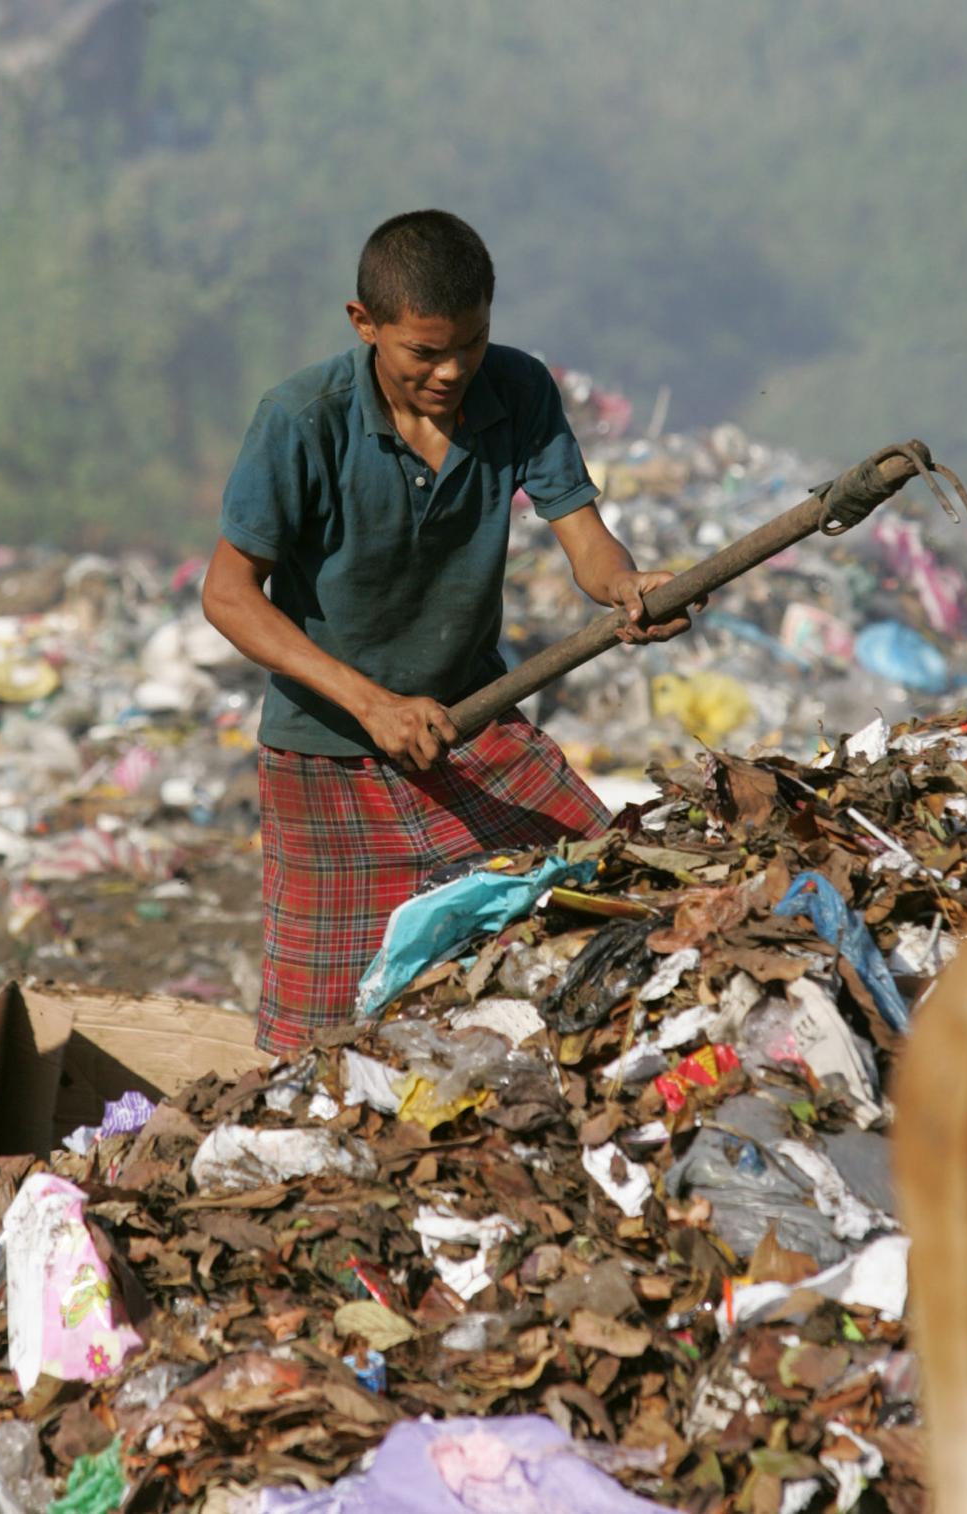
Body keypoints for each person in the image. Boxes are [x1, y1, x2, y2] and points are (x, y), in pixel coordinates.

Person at [202, 209, 696, 1055]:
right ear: (364, 325)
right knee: (311, 1045)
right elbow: (230, 596)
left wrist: (626, 588)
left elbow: (584, 539)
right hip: (327, 759)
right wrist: (374, 705)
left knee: (615, 904)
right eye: (423, 352)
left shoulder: (518, 391)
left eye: (470, 343)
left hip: (473, 726)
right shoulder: (300, 420)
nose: (451, 370)